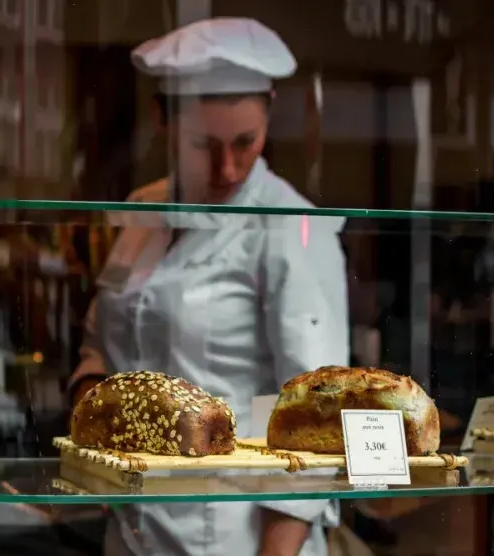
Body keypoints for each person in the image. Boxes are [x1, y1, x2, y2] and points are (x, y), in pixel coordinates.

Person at [67, 17, 350, 556]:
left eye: (246, 142)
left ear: (269, 114)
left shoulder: (291, 227)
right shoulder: (143, 210)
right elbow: (100, 341)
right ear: (162, 122)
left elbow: (316, 420)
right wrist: (93, 411)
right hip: (131, 528)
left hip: (233, 536)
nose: (226, 168)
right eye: (204, 145)